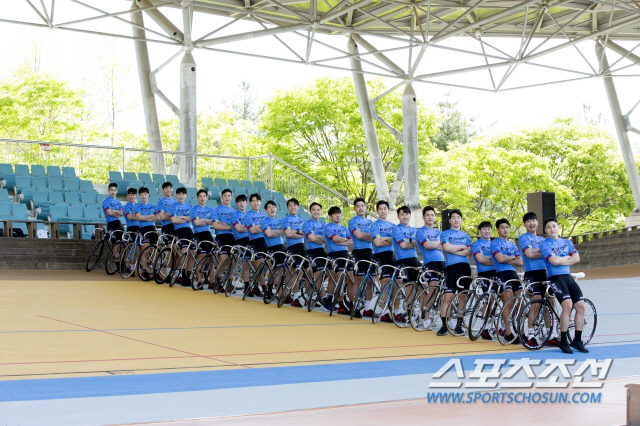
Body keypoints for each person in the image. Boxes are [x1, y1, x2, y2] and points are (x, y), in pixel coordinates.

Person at [540, 217, 588, 354]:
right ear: (545, 230)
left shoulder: (566, 242)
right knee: (567, 305)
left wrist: (562, 259)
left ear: (558, 227)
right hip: (555, 277)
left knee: (580, 306)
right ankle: (563, 340)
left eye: (554, 226)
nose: (551, 229)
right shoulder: (544, 245)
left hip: (567, 276)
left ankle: (577, 341)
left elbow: (577, 258)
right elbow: (554, 261)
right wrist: (567, 257)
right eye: (548, 227)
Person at [519, 212, 555, 347]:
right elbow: (529, 254)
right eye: (528, 221)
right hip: (532, 274)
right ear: (525, 224)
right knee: (536, 303)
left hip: (545, 273)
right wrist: (544, 253)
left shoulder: (543, 239)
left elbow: (549, 254)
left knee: (550, 303)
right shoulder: (523, 238)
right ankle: (531, 335)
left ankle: (548, 334)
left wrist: (538, 252)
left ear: (538, 222)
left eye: (533, 220)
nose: (531, 223)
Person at [438, 209, 472, 336]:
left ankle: (459, 325)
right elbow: (446, 248)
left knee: (463, 297)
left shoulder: (466, 236)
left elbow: (469, 251)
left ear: (462, 220)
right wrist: (462, 247)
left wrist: (454, 249)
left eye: (459, 217)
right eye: (454, 217)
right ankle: (444, 325)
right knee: (448, 296)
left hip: (465, 268)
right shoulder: (445, 234)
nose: (456, 219)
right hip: (451, 268)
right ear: (450, 220)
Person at [490, 218, 523, 343]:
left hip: (513, 274)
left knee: (519, 302)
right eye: (503, 227)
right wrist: (513, 257)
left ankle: (519, 330)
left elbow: (520, 262)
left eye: (507, 227)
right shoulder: (495, 243)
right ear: (498, 230)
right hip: (502, 274)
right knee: (508, 303)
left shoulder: (512, 245)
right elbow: (500, 259)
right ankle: (508, 332)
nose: (505, 230)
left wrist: (508, 257)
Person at [416, 206, 445, 329]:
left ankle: (447, 319)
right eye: (427, 215)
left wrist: (437, 244)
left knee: (446, 291)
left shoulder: (439, 233)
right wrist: (438, 244)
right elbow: (427, 245)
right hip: (430, 262)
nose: (430, 217)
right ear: (423, 217)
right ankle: (426, 316)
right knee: (433, 287)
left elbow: (445, 247)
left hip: (442, 262)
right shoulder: (420, 232)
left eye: (432, 215)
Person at [322, 206, 353, 314]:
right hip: (334, 255)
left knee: (350, 279)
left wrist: (341, 242)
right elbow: (335, 239)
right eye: (335, 214)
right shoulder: (327, 227)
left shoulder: (344, 228)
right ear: (330, 216)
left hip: (345, 254)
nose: (338, 215)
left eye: (339, 213)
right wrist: (343, 240)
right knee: (339, 279)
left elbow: (351, 241)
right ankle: (340, 304)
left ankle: (352, 304)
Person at [369, 200, 396, 321]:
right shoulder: (374, 225)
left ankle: (397, 312)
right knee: (385, 282)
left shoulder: (393, 226)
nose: (383, 211)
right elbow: (377, 242)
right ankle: (384, 312)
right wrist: (391, 239)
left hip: (391, 255)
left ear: (388, 210)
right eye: (380, 209)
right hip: (379, 255)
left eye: (385, 208)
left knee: (397, 282)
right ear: (377, 211)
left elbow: (397, 241)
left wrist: (384, 238)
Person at [392, 206, 419, 323]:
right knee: (410, 288)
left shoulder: (415, 230)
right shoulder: (396, 229)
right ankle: (409, 312)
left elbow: (420, 245)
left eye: (407, 214)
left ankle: (422, 313)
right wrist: (413, 242)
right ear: (398, 216)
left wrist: (410, 242)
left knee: (421, 286)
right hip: (403, 260)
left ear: (410, 215)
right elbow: (403, 245)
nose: (405, 216)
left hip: (415, 259)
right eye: (402, 214)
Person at [470, 221, 496, 340]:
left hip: (497, 273)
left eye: (489, 229)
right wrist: (496, 260)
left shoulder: (495, 243)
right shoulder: (476, 244)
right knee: (488, 298)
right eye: (484, 229)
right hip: (484, 274)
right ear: (480, 231)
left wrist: (490, 258)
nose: (487, 231)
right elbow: (481, 259)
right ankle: (483, 328)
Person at [348, 198, 373, 318]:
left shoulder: (371, 222)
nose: (360, 208)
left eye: (362, 206)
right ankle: (355, 307)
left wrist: (366, 236)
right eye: (358, 206)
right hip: (358, 252)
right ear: (354, 208)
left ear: (366, 207)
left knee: (370, 282)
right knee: (357, 281)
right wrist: (371, 236)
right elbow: (359, 235)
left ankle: (367, 309)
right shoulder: (352, 221)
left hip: (369, 252)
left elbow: (368, 237)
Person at [281, 198, 307, 307]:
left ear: (298, 207)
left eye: (295, 205)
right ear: (287, 208)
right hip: (292, 248)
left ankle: (305, 298)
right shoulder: (285, 220)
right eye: (290, 205)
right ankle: (289, 296)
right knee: (293, 273)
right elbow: (288, 234)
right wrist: (300, 232)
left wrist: (295, 231)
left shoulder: (302, 220)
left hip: (302, 247)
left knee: (305, 273)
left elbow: (306, 234)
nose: (293, 207)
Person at [303, 202, 327, 308]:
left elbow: (328, 240)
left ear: (321, 212)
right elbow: (312, 239)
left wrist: (318, 238)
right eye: (314, 210)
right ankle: (310, 299)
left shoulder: (323, 225)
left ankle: (322, 293)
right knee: (316, 275)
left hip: (323, 251)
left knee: (333, 273)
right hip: (312, 251)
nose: (316, 212)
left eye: (318, 210)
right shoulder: (307, 224)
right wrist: (320, 238)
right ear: (310, 212)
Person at [261, 200, 286, 300]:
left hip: (281, 246)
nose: (272, 208)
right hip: (271, 247)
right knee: (277, 271)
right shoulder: (264, 221)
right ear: (266, 210)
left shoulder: (280, 221)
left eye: (274, 207)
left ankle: (273, 289)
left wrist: (274, 231)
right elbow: (269, 234)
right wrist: (279, 232)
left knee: (283, 270)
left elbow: (285, 233)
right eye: (269, 207)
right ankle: (279, 295)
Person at [170, 187, 195, 286]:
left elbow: (191, 219)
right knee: (184, 252)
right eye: (179, 194)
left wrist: (181, 217)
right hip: (179, 230)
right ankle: (183, 276)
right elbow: (174, 220)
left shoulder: (190, 206)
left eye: (183, 194)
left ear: (186, 195)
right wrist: (186, 218)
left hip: (189, 230)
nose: (181, 196)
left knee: (192, 253)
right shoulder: (173, 206)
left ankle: (188, 276)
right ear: (176, 195)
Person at [245, 193, 268, 297]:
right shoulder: (248, 215)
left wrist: (258, 226)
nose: (256, 203)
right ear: (250, 203)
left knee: (266, 267)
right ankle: (264, 288)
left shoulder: (265, 214)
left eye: (258, 201)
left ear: (260, 202)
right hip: (254, 242)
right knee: (260, 266)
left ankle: (256, 286)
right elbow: (253, 230)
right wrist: (263, 227)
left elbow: (270, 229)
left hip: (266, 242)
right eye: (253, 201)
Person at [190, 189, 215, 285]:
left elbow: (213, 221)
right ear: (197, 198)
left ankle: (212, 282)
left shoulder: (210, 209)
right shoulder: (194, 209)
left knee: (211, 259)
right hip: (198, 235)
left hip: (208, 235)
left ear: (207, 198)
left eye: (204, 196)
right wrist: (207, 220)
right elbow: (197, 222)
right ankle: (199, 281)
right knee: (201, 258)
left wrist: (203, 220)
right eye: (200, 196)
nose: (202, 198)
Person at [211, 189, 236, 284]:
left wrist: (226, 226)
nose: (227, 198)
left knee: (232, 260)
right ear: (222, 197)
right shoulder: (216, 210)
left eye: (229, 196)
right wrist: (230, 227)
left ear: (231, 198)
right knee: (223, 258)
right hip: (221, 237)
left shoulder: (234, 212)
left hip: (232, 237)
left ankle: (229, 281)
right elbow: (216, 226)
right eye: (225, 196)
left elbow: (237, 227)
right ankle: (217, 280)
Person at [135, 186, 159, 280]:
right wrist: (151, 215)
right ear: (139, 196)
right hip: (143, 230)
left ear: (148, 195)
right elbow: (140, 218)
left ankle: (156, 272)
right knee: (145, 251)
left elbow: (157, 218)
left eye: (145, 194)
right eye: (141, 194)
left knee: (155, 252)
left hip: (152, 229)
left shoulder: (153, 206)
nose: (144, 196)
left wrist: (145, 216)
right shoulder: (137, 207)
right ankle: (144, 271)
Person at [232, 194, 251, 293]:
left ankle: (255, 285)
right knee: (246, 262)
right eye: (239, 202)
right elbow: (239, 228)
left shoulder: (249, 215)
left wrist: (246, 227)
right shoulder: (235, 215)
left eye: (243, 201)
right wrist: (249, 228)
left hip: (250, 240)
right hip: (240, 241)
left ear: (246, 203)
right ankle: (246, 285)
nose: (241, 203)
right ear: (237, 204)